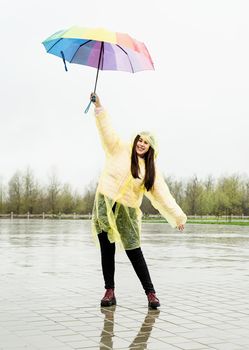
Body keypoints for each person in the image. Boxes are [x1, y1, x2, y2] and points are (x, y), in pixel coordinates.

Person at [91, 93, 187, 309]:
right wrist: (98, 106)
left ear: (151, 148)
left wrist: (177, 216)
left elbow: (163, 195)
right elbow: (107, 130)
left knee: (134, 251)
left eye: (146, 143)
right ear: (135, 140)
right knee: (107, 250)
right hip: (105, 204)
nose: (142, 144)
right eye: (140, 140)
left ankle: (151, 294)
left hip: (127, 211)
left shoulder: (150, 170)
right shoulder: (118, 149)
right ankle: (109, 291)